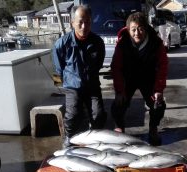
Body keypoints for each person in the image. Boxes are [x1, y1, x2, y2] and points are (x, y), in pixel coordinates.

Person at [52, 5, 107, 148]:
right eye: (80, 22)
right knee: (73, 114)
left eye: (88, 22)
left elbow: (99, 64)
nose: (84, 26)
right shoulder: (61, 44)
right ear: (72, 22)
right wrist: (61, 87)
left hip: (92, 85)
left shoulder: (98, 42)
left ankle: (94, 137)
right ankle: (69, 137)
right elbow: (58, 69)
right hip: (72, 86)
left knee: (99, 114)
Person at [111, 12, 168, 146]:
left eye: (141, 28)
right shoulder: (122, 43)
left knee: (158, 105)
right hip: (128, 78)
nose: (137, 33)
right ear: (128, 30)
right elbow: (116, 67)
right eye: (133, 29)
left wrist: (159, 89)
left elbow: (163, 66)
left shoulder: (156, 43)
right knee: (117, 105)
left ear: (146, 28)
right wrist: (119, 91)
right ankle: (119, 128)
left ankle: (153, 128)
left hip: (148, 78)